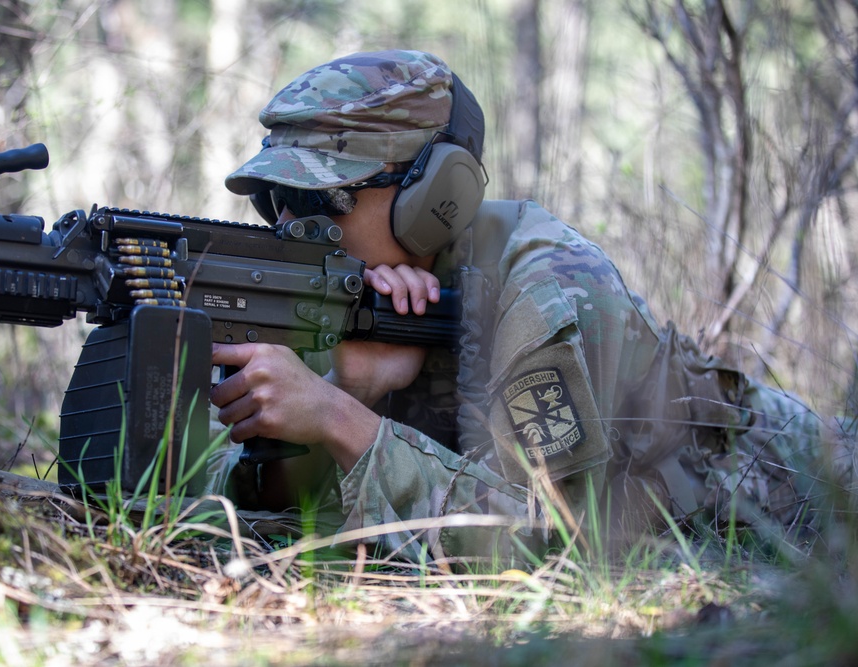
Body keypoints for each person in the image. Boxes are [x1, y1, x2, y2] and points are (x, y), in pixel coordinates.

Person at [206, 49, 852, 562]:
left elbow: (557, 545)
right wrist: (352, 389)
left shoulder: (546, 286)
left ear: (438, 195)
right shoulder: (353, 288)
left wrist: (341, 418)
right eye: (273, 200)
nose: (290, 224)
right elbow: (289, 525)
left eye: (323, 200)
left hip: (814, 494)